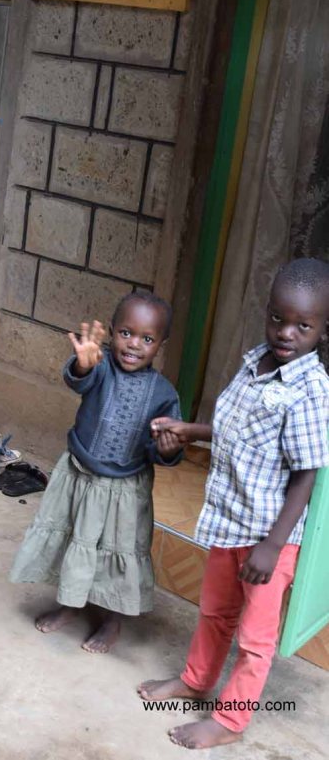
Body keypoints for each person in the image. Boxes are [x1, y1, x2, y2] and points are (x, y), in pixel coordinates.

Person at [138, 258, 329, 749]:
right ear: (266, 313)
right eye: (278, 319)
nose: (287, 333)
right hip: (231, 519)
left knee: (254, 638)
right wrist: (191, 431)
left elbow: (307, 473)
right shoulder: (254, 363)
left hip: (270, 536)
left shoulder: (310, 390)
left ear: (323, 329)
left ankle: (230, 721)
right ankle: (195, 680)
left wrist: (272, 546)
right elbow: (238, 434)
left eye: (303, 325)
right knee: (214, 610)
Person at [11, 291, 184, 652]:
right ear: (111, 331)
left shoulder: (164, 393)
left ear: (161, 344)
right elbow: (79, 380)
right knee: (76, 541)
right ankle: (70, 604)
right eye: (126, 333)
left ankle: (111, 621)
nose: (134, 344)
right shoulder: (100, 366)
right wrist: (83, 365)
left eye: (147, 339)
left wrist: (169, 449)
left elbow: (162, 447)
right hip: (80, 476)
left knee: (116, 552)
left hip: (124, 491)